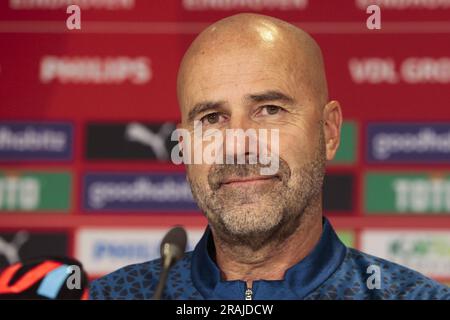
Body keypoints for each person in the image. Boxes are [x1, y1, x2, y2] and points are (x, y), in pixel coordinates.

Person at [89, 13, 450, 300]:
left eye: (270, 110)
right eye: (212, 118)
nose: (238, 144)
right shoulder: (112, 296)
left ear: (328, 132)